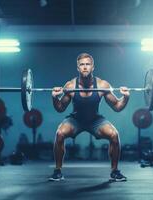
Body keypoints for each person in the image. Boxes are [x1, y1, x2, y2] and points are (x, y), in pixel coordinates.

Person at [49, 53, 130, 182]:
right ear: (78, 68)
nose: (85, 67)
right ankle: (57, 171)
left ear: (93, 67)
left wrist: (125, 97)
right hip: (75, 120)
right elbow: (60, 108)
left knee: (114, 135)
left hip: (95, 120)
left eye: (88, 64)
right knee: (60, 133)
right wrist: (54, 98)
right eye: (82, 65)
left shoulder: (102, 85)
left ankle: (115, 171)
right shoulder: (70, 86)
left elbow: (117, 106)